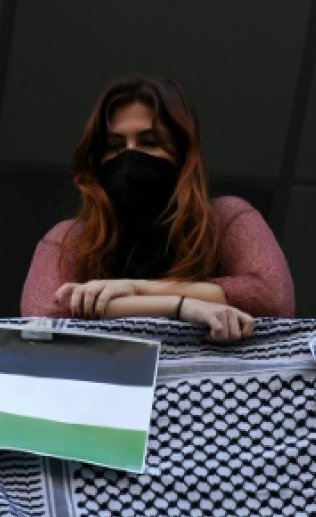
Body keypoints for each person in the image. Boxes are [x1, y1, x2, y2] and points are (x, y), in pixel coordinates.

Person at [21, 76, 295, 341]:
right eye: (115, 146)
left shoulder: (225, 219)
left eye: (149, 143)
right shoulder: (72, 237)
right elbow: (44, 310)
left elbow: (272, 297)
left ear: (182, 153)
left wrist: (138, 289)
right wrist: (178, 307)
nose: (129, 157)